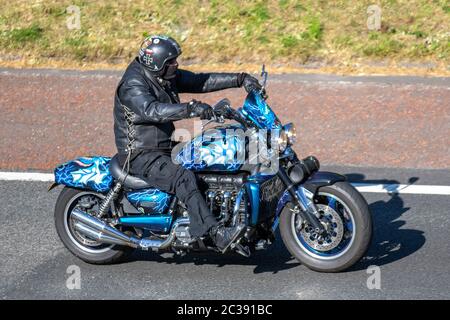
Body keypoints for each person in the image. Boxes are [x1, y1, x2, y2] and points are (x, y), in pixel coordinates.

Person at [114, 35, 263, 252]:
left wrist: (240, 79)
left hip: (164, 144)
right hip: (139, 153)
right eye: (171, 61)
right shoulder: (133, 84)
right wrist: (190, 108)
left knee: (208, 157)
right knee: (183, 177)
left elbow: (199, 81)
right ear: (157, 63)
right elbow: (151, 110)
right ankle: (216, 233)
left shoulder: (162, 75)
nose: (176, 64)